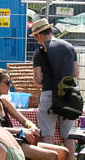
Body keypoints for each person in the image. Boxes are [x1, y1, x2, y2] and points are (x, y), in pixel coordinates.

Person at [30, 19, 78, 149]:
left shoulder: (40, 51)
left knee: (47, 134)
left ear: (39, 35)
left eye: (35, 37)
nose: (36, 40)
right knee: (68, 135)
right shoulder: (69, 47)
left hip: (49, 94)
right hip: (69, 95)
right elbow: (76, 73)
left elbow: (38, 79)